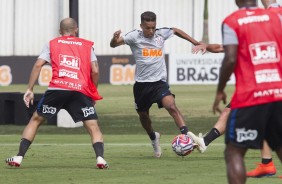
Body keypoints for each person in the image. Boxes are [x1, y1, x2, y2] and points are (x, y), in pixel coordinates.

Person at [189, 0, 281, 179]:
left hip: (253, 92)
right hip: (277, 90)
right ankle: (267, 163)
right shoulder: (276, 18)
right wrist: (207, 46)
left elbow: (230, 57)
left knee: (234, 152)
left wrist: (220, 90)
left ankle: (266, 163)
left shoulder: (233, 21)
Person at [5, 18, 108, 169]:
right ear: (76, 29)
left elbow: (38, 64)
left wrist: (30, 89)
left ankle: (19, 157)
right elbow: (95, 70)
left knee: (35, 120)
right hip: (79, 90)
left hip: (58, 89)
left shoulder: (52, 43)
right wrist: (92, 92)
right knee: (93, 126)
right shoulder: (87, 46)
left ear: (60, 31)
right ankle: (100, 159)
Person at [110, 11, 200, 157]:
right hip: (142, 86)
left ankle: (188, 137)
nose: (151, 31)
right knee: (144, 117)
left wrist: (195, 42)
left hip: (159, 83)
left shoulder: (161, 34)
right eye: (147, 28)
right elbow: (114, 45)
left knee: (171, 105)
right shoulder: (134, 36)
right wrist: (114, 39)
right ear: (141, 26)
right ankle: (153, 138)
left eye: (153, 27)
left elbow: (176, 30)